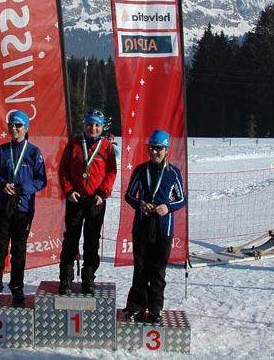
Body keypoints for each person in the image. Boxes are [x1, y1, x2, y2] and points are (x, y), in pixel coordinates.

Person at [123, 129, 186, 324]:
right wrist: (140, 204)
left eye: (158, 148)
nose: (154, 152)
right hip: (142, 225)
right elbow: (129, 196)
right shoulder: (141, 170)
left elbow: (182, 199)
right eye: (151, 148)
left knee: (158, 270)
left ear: (167, 150)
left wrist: (168, 207)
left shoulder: (173, 173)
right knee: (141, 268)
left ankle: (155, 309)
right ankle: (136, 307)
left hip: (163, 228)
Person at [0, 110, 47, 308]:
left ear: (26, 128)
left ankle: (17, 289)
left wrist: (22, 188)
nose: (14, 128)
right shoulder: (1, 151)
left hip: (23, 208)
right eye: (11, 125)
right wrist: (2, 184)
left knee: (19, 252)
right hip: (3, 207)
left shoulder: (34, 152)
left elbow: (41, 179)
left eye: (18, 125)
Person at [57, 108, 117, 295]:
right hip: (75, 199)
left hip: (95, 202)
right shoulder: (73, 144)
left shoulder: (107, 147)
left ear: (102, 127)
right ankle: (66, 279)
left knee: (92, 242)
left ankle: (88, 278)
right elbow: (63, 170)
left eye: (97, 125)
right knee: (70, 240)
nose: (93, 128)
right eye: (90, 124)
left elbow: (111, 173)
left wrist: (103, 193)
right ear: (84, 125)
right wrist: (68, 191)